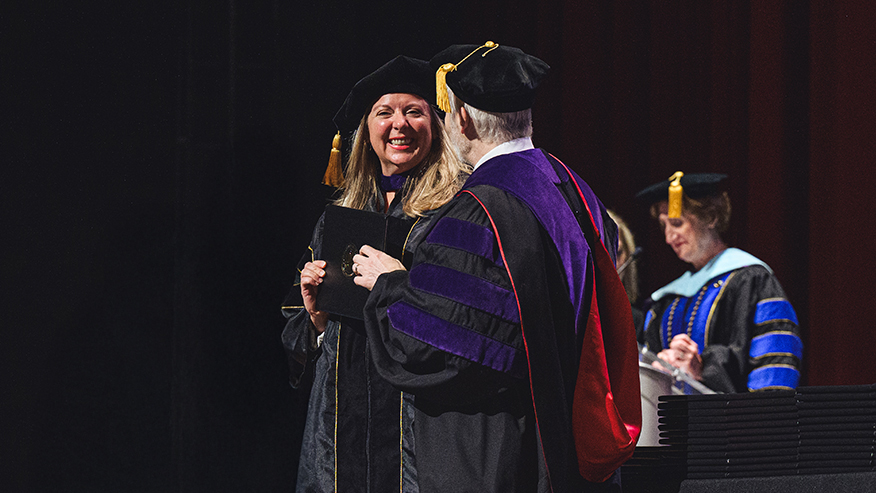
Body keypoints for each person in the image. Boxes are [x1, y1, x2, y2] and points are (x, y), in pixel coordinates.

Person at [351, 42, 641, 492]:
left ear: (462, 118)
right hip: (569, 438)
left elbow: (443, 346)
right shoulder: (573, 190)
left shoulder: (477, 213)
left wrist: (390, 285)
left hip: (499, 451)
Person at [280, 55, 469, 493]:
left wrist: (404, 285)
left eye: (414, 111)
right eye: (384, 112)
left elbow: (466, 321)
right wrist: (315, 318)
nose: (398, 124)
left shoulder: (455, 212)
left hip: (417, 424)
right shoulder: (341, 217)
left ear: (437, 125)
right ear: (366, 130)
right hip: (337, 429)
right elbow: (294, 332)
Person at [636, 172, 803, 394]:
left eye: (676, 223)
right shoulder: (666, 300)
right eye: (663, 225)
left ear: (711, 217)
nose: (668, 237)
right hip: (671, 426)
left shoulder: (753, 282)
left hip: (735, 425)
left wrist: (703, 368)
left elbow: (773, 368)